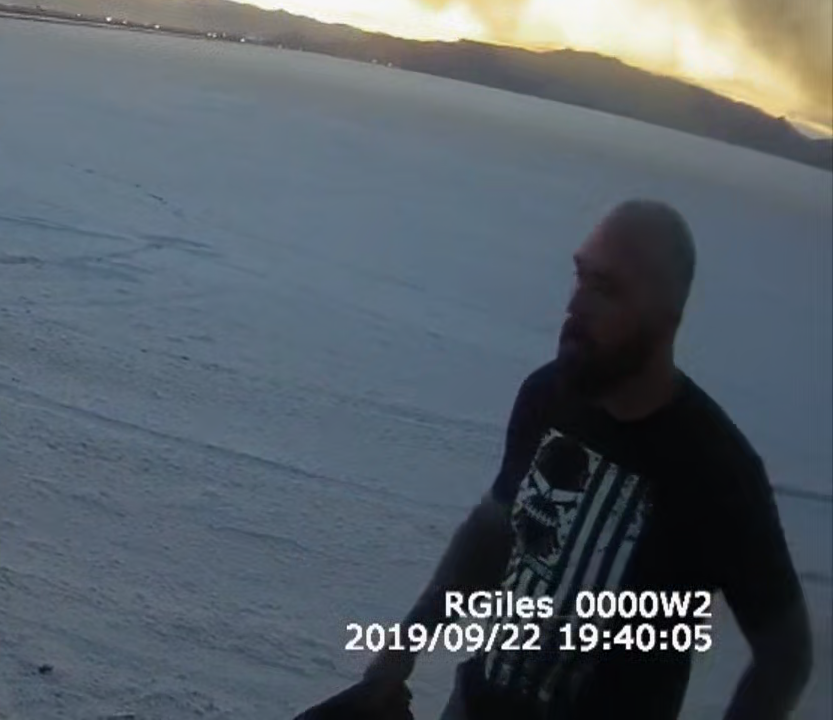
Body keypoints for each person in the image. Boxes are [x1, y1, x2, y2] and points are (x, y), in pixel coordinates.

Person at [347, 199, 812, 719]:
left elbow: (785, 654)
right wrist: (404, 646)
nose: (576, 305)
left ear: (666, 316)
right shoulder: (546, 396)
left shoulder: (717, 469)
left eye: (606, 289)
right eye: (580, 276)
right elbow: (494, 530)